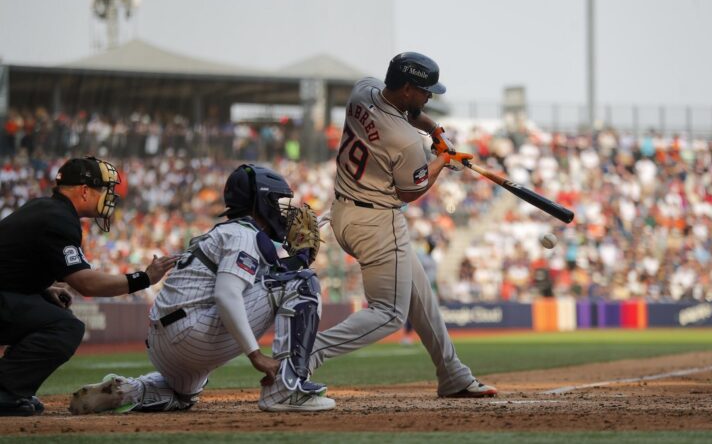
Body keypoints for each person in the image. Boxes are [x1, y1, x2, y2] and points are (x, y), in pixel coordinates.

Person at [69, 164, 335, 414]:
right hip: (191, 333)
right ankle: (288, 389)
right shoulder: (244, 235)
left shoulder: (228, 232)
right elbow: (227, 294)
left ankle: (128, 391)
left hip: (163, 342)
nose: (281, 211)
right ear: (261, 201)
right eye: (276, 202)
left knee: (182, 396)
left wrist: (297, 258)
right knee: (302, 280)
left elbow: (264, 279)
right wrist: (256, 355)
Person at [310, 52, 497, 398]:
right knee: (389, 314)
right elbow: (412, 191)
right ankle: (303, 357)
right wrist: (443, 159)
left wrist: (434, 130)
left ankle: (453, 373)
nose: (430, 97)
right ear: (408, 88)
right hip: (377, 221)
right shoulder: (406, 142)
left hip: (344, 212)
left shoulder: (363, 90)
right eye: (425, 91)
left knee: (420, 296)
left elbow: (408, 114)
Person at [0, 156, 178, 417]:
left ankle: (11, 390)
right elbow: (86, 283)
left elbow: (10, 266)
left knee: (51, 308)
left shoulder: (45, 209)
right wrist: (144, 278)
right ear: (84, 190)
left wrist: (44, 290)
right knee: (67, 327)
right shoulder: (58, 218)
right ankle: (5, 393)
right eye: (104, 189)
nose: (109, 196)